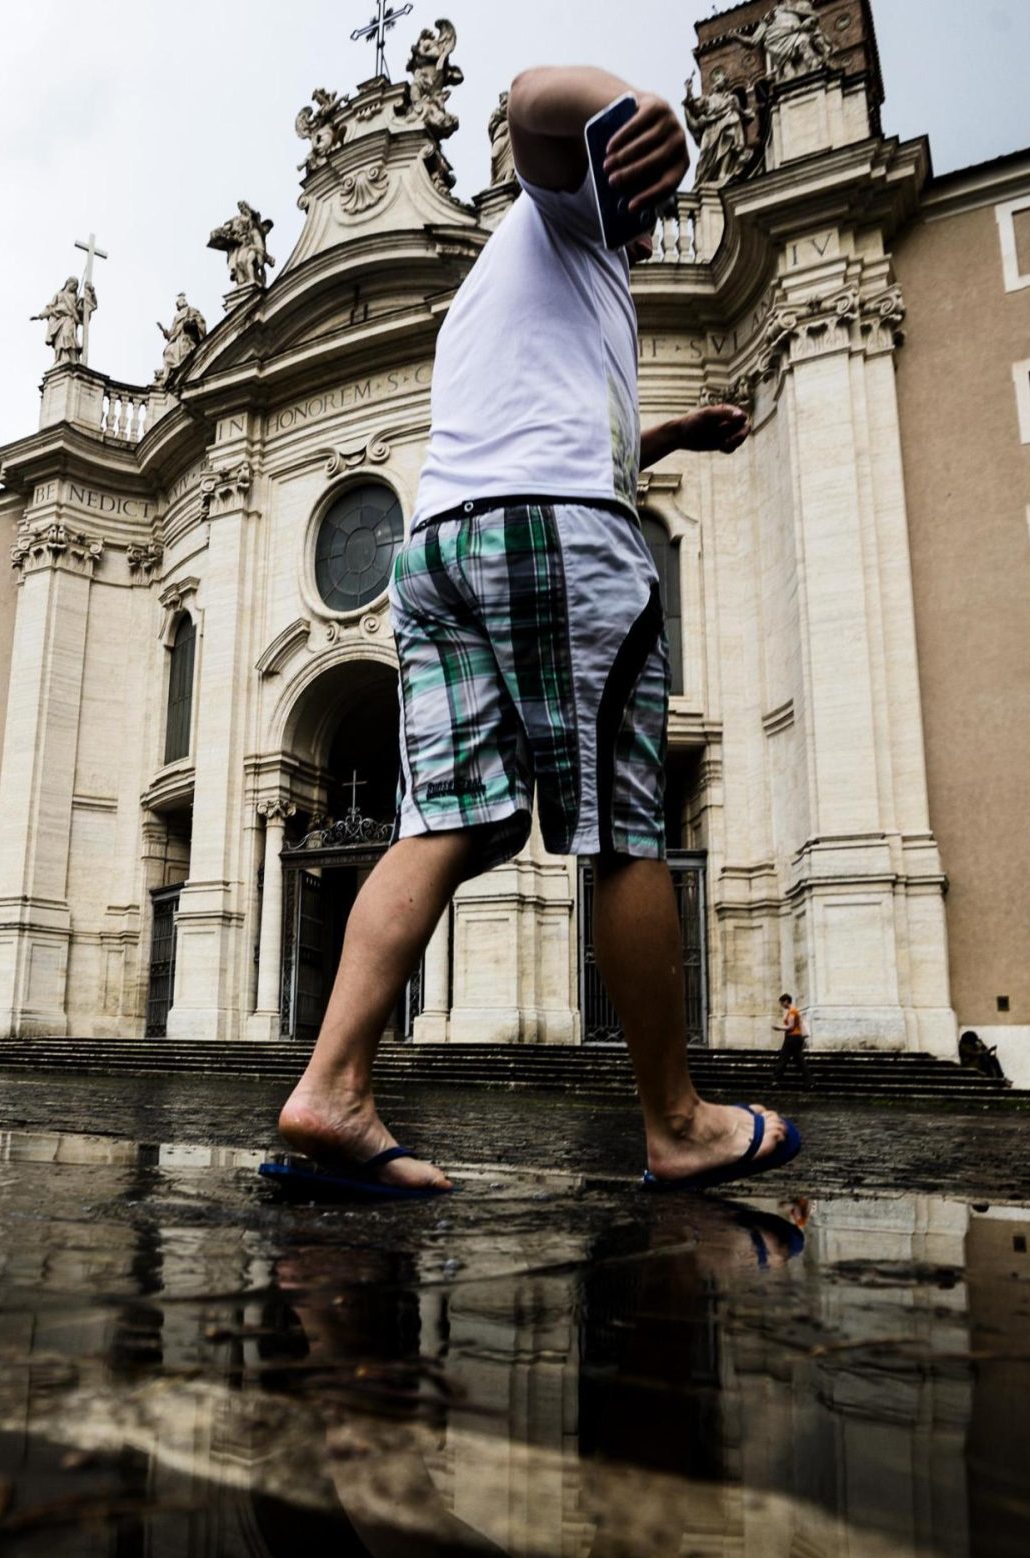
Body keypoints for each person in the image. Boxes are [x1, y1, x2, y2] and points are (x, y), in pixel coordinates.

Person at [272, 66, 801, 1200]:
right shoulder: (570, 214)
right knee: (620, 819)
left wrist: (660, 438)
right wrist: (632, 105)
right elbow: (525, 101)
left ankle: (331, 1085)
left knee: (451, 821)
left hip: (442, 549)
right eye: (648, 199)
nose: (656, 221)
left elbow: (542, 431)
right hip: (555, 536)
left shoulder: (509, 287)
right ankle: (677, 1119)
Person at [775, 993, 807, 1086]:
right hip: (796, 1038)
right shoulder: (793, 1011)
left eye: (781, 1003)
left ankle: (775, 1080)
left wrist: (778, 1028)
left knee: (783, 1058)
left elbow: (790, 1026)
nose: (781, 1005)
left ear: (786, 1001)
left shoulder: (792, 1011)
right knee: (800, 1060)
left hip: (792, 1038)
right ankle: (809, 1082)